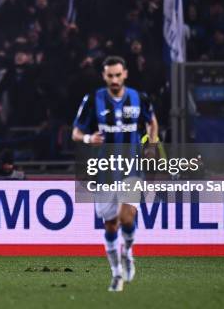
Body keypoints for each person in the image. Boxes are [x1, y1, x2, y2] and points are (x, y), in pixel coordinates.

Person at [71, 56, 158, 292]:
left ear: (125, 74)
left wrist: (152, 143)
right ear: (104, 76)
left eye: (118, 75)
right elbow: (76, 132)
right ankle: (116, 272)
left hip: (131, 167)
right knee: (110, 224)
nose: (114, 80)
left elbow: (152, 122)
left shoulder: (139, 98)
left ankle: (128, 252)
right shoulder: (93, 100)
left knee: (127, 217)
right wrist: (89, 138)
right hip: (105, 171)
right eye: (110, 76)